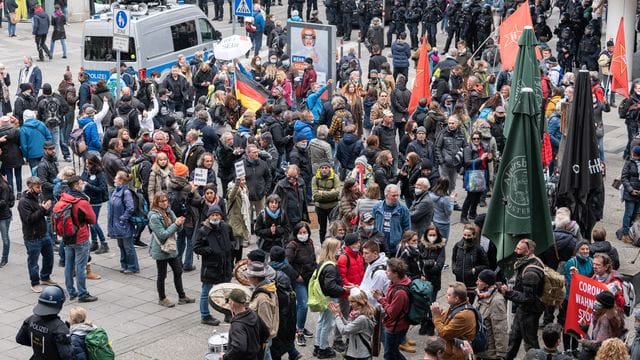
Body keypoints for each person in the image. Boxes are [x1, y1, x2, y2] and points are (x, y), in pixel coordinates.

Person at [499, 239, 546, 359]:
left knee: (531, 343)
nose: (515, 251)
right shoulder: (527, 262)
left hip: (530, 311)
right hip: (523, 310)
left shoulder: (531, 273)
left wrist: (508, 293)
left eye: (519, 249)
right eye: (516, 248)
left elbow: (527, 298)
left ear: (528, 252)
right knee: (514, 338)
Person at [148, 192, 195, 308]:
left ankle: (182, 296)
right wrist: (176, 224)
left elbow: (178, 229)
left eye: (165, 201)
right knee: (162, 274)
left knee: (178, 271)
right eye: (162, 201)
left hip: (171, 247)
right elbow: (162, 234)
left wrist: (179, 223)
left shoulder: (169, 211)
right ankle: (162, 298)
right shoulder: (154, 217)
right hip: (161, 249)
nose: (164, 203)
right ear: (156, 203)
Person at [55, 175, 98, 303]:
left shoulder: (64, 198)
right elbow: (92, 219)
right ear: (76, 185)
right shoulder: (81, 202)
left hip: (67, 237)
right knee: (80, 266)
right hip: (80, 236)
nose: (82, 185)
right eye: (80, 183)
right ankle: (82, 293)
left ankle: (71, 291)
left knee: (68, 265)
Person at [193, 204, 234, 326]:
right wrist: (209, 250)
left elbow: (233, 240)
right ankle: (205, 315)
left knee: (227, 291)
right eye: (213, 215)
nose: (215, 217)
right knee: (206, 292)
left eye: (217, 215)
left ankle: (228, 314)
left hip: (225, 265)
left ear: (221, 216)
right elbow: (196, 247)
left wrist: (230, 247)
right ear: (209, 216)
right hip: (210, 267)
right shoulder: (203, 231)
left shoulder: (226, 227)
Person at [18, 176, 55, 293]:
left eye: (40, 187)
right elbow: (29, 219)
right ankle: (34, 283)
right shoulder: (23, 202)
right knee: (33, 262)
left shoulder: (39, 196)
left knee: (49, 257)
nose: (40, 189)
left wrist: (48, 209)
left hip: (44, 233)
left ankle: (45, 277)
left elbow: (44, 212)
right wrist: (43, 209)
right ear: (30, 187)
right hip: (32, 237)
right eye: (37, 187)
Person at [16, 285, 73, 358]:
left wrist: (40, 345)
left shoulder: (31, 319)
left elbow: (20, 339)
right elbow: (67, 355)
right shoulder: (60, 329)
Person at [372, 258, 412, 359]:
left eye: (388, 270)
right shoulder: (395, 284)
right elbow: (391, 301)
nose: (386, 272)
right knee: (392, 352)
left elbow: (391, 312)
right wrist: (382, 296)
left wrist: (380, 299)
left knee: (390, 354)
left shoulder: (400, 292)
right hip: (394, 325)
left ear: (396, 273)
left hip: (395, 327)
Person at [285, 221, 317, 346]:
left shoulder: (310, 242)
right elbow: (286, 263)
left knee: (303, 305)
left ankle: (300, 325)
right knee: (302, 305)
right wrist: (296, 276)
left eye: (305, 232)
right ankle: (299, 332)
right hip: (299, 281)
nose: (303, 235)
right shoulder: (292, 245)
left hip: (310, 279)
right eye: (300, 232)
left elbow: (313, 259)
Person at [314, 238, 346, 359]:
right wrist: (344, 289)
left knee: (321, 322)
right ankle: (323, 348)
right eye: (338, 248)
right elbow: (330, 286)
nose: (340, 251)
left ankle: (317, 345)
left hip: (323, 297)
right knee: (328, 324)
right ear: (333, 250)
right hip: (330, 298)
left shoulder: (322, 262)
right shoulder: (331, 267)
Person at [561, 240, 593, 354]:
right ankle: (566, 348)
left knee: (578, 324)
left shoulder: (591, 262)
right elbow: (570, 281)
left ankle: (575, 347)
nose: (585, 251)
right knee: (568, 324)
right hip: (570, 299)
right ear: (577, 250)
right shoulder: (571, 262)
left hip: (583, 300)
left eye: (587, 249)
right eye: (582, 249)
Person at [431, 282, 477, 360]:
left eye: (449, 295)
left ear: (456, 299)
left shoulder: (463, 315)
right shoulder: (456, 306)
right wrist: (438, 315)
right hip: (451, 349)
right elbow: (442, 322)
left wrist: (436, 316)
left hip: (457, 353)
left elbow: (444, 333)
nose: (446, 296)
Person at [328, 288, 375, 360]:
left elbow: (344, 330)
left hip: (359, 355)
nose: (350, 304)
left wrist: (336, 315)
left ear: (360, 301)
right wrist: (340, 315)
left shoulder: (362, 318)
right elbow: (350, 325)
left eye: (352, 301)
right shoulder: (361, 312)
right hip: (358, 353)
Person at [224, 288, 270, 360]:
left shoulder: (237, 325)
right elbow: (266, 333)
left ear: (232, 303)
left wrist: (225, 357)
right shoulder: (253, 314)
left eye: (229, 300)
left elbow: (239, 348)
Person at [108, 171, 139, 274]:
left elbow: (130, 208)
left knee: (128, 246)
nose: (114, 180)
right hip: (117, 224)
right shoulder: (115, 191)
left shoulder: (126, 192)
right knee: (121, 245)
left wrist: (123, 218)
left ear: (121, 180)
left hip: (123, 224)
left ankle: (132, 266)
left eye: (116, 178)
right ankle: (124, 264)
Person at [578, 290, 626, 358]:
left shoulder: (605, 321)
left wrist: (584, 342)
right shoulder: (600, 314)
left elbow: (600, 345)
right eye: (594, 303)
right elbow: (595, 331)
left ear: (605, 308)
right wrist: (585, 327)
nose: (594, 308)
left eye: (598, 305)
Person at [452, 224, 489, 304]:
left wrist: (474, 270)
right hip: (459, 283)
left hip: (472, 285)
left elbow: (486, 265)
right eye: (464, 235)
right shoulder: (457, 246)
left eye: (469, 235)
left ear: (473, 235)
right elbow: (454, 259)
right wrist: (454, 269)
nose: (466, 237)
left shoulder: (478, 249)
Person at [475, 269, 508, 360]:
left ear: (487, 284)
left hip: (490, 353)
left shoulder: (496, 301)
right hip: (479, 350)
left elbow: (500, 330)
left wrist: (501, 355)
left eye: (480, 281)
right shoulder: (480, 294)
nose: (476, 282)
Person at [372, 184, 411, 256]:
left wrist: (402, 242)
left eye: (397, 195)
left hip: (395, 246)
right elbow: (373, 224)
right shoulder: (377, 208)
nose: (396, 198)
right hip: (379, 244)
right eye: (393, 196)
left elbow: (407, 229)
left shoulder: (403, 209)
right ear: (386, 195)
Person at [82, 153, 109, 254]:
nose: (87, 165)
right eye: (86, 163)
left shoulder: (100, 174)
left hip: (96, 202)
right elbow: (82, 180)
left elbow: (102, 189)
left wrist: (88, 186)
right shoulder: (86, 172)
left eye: (89, 163)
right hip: (87, 200)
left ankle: (104, 243)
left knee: (93, 223)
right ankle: (94, 242)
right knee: (90, 222)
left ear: (94, 163)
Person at [312, 161, 341, 243]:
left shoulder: (335, 177)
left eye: (326, 168)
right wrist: (330, 193)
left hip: (333, 207)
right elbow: (315, 196)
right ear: (319, 169)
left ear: (329, 168)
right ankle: (323, 245)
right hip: (320, 207)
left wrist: (322, 193)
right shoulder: (315, 178)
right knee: (322, 228)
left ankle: (334, 244)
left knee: (333, 227)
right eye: (322, 168)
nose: (324, 170)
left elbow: (337, 193)